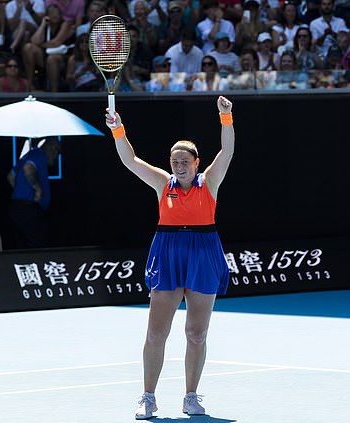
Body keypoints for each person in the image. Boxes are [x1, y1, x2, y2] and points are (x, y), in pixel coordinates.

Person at [104, 95, 234, 421]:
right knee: (156, 333)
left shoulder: (211, 182)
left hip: (203, 253)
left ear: (196, 162)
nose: (178, 166)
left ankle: (191, 397)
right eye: (174, 161)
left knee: (196, 333)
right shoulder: (163, 183)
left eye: (184, 161)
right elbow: (130, 161)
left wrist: (226, 118)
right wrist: (118, 130)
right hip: (168, 252)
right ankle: (148, 398)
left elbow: (227, 151)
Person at [7, 138, 61, 249]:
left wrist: (20, 191)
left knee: (25, 244)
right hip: (27, 209)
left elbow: (10, 177)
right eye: (57, 152)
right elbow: (28, 168)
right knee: (38, 243)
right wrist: (37, 188)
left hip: (19, 208)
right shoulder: (39, 155)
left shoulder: (28, 156)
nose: (56, 157)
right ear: (52, 149)